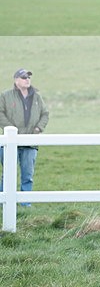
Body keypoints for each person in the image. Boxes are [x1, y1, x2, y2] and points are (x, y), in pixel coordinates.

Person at [0, 68, 49, 205]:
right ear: (16, 80)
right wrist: (11, 130)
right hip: (10, 142)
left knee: (28, 175)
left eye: (28, 77)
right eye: (23, 77)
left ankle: (25, 203)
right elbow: (0, 113)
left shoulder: (37, 97)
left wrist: (39, 128)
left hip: (30, 142)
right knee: (8, 174)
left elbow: (45, 114)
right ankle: (4, 202)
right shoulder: (6, 96)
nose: (27, 79)